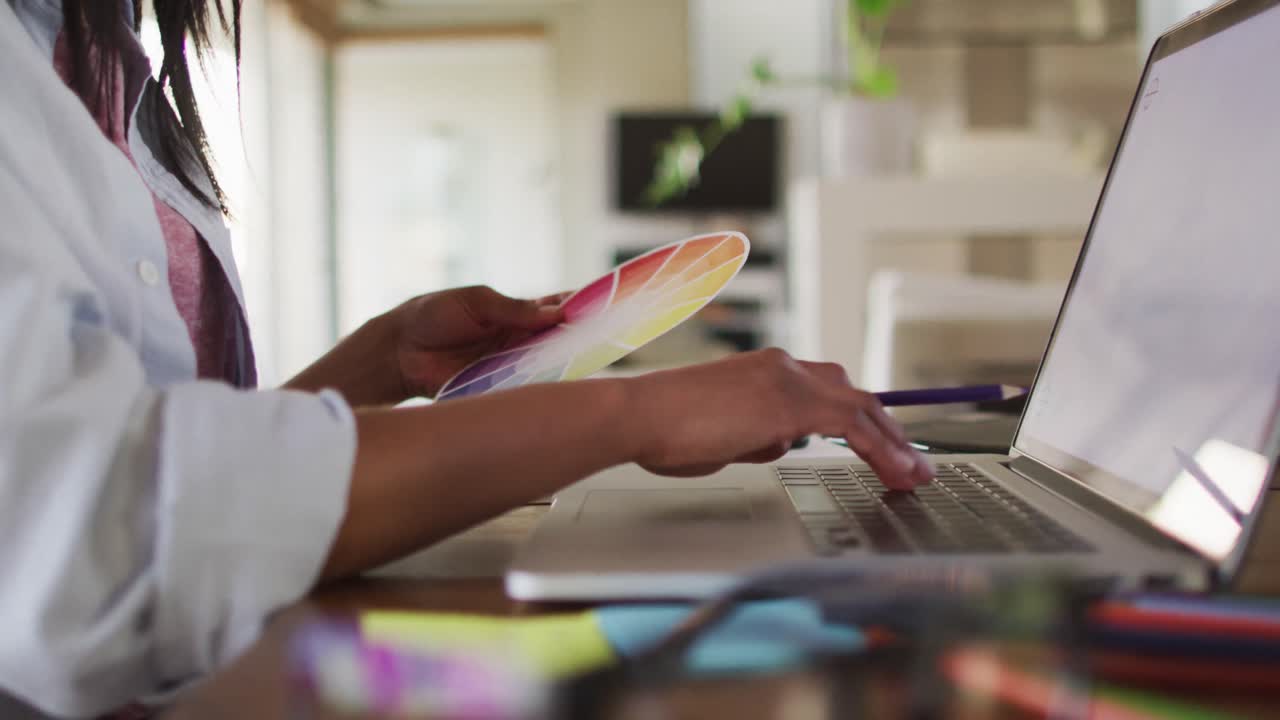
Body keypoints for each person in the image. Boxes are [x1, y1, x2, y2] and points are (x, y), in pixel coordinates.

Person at [0, 0, 933, 716]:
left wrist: (376, 363)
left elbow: (174, 476)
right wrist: (636, 412)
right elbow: (92, 536)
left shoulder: (102, 58)